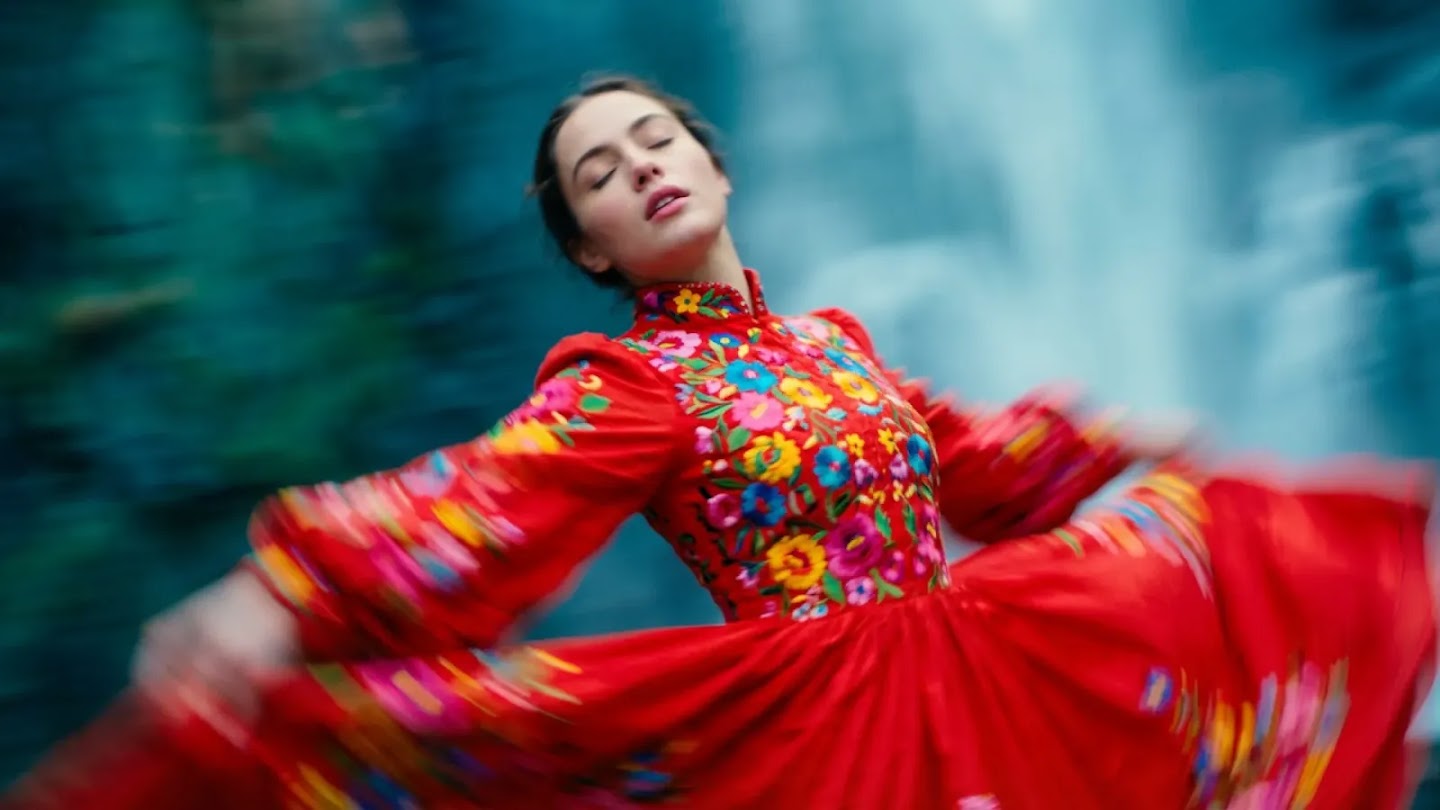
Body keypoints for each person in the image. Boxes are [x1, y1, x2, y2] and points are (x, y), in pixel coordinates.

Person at [5, 75, 1437, 810]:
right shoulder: (631, 385)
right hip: (822, 723)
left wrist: (1120, 438)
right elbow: (473, 501)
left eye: (654, 140)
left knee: (1226, 559)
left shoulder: (831, 342)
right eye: (598, 174)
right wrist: (276, 588)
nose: (640, 166)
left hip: (983, 653)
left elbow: (972, 457)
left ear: (713, 161)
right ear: (590, 247)